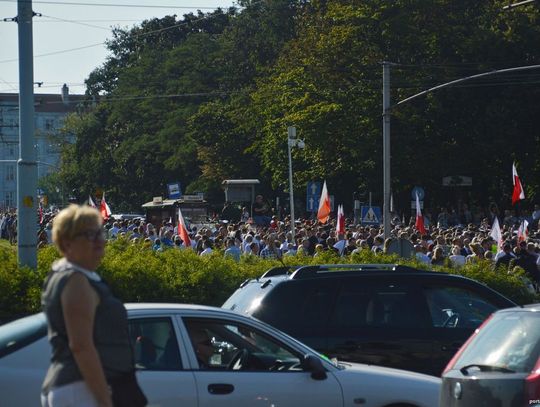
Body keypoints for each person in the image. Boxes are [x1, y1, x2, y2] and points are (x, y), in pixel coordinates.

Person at [41, 205, 146, 407]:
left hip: (80, 387)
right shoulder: (76, 281)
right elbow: (81, 346)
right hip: (80, 389)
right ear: (66, 243)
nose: (99, 240)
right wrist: (105, 401)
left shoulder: (73, 275)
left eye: (100, 232)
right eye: (89, 234)